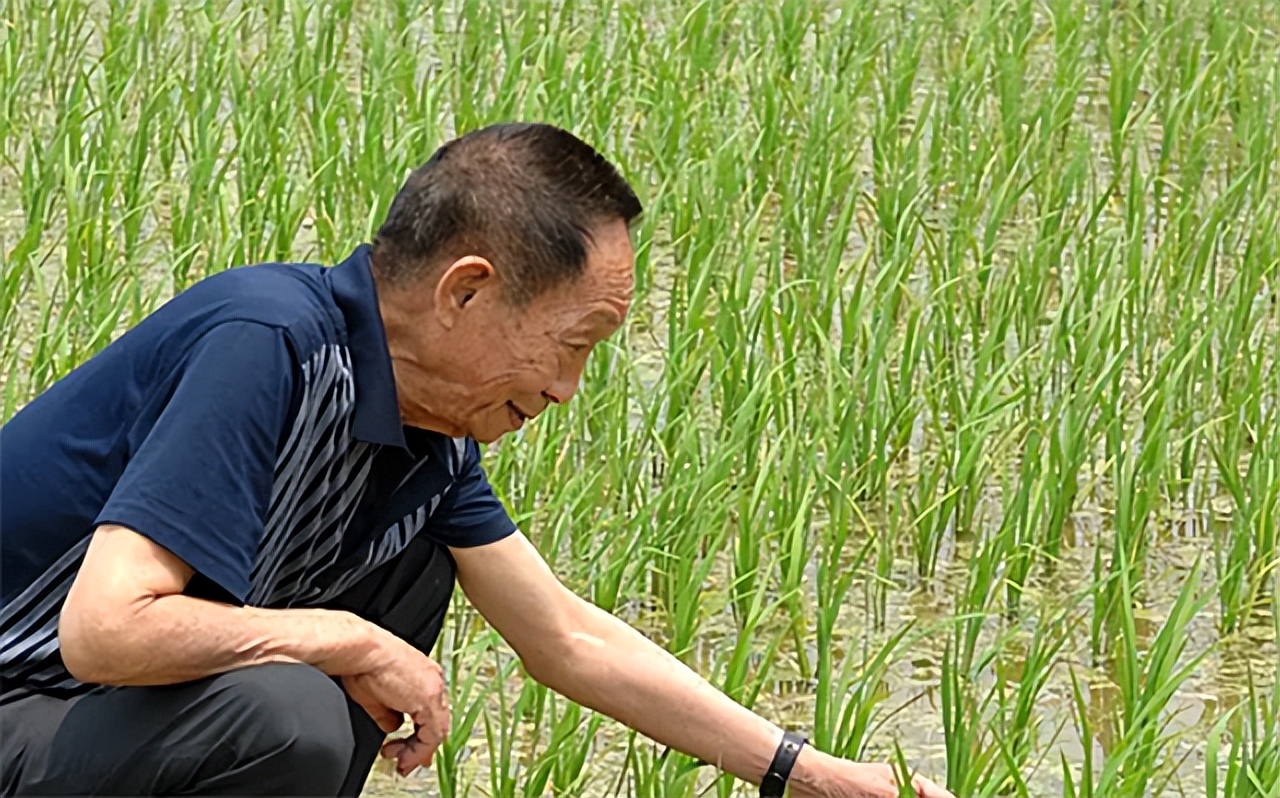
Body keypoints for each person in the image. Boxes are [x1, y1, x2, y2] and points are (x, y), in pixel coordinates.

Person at [0, 122, 953, 798]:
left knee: (410, 573)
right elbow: (105, 630)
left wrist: (809, 776)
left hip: (82, 718)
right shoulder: (269, 342)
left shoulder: (429, 433)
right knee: (285, 708)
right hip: (23, 695)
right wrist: (351, 639)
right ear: (467, 292)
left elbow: (566, 640)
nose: (570, 388)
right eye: (574, 343)